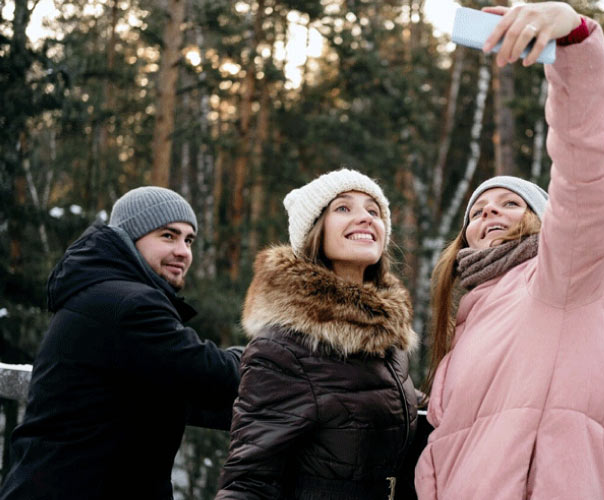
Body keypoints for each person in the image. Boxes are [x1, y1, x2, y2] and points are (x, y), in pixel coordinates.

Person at [414, 3, 604, 499]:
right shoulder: (475, 312)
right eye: (476, 211)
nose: (488, 215)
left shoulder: (563, 276)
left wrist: (577, 48)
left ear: (544, 217)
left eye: (509, 204)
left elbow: (586, 170)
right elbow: (449, 445)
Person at [0, 187, 242, 500]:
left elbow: (174, 380)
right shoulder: (127, 304)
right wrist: (267, 355)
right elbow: (214, 375)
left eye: (188, 239)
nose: (183, 251)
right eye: (168, 236)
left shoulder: (97, 293)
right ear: (130, 237)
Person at [216, 169, 418, 500]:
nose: (365, 218)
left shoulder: (385, 337)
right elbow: (249, 481)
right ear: (314, 231)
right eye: (343, 208)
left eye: (373, 210)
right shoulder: (282, 348)